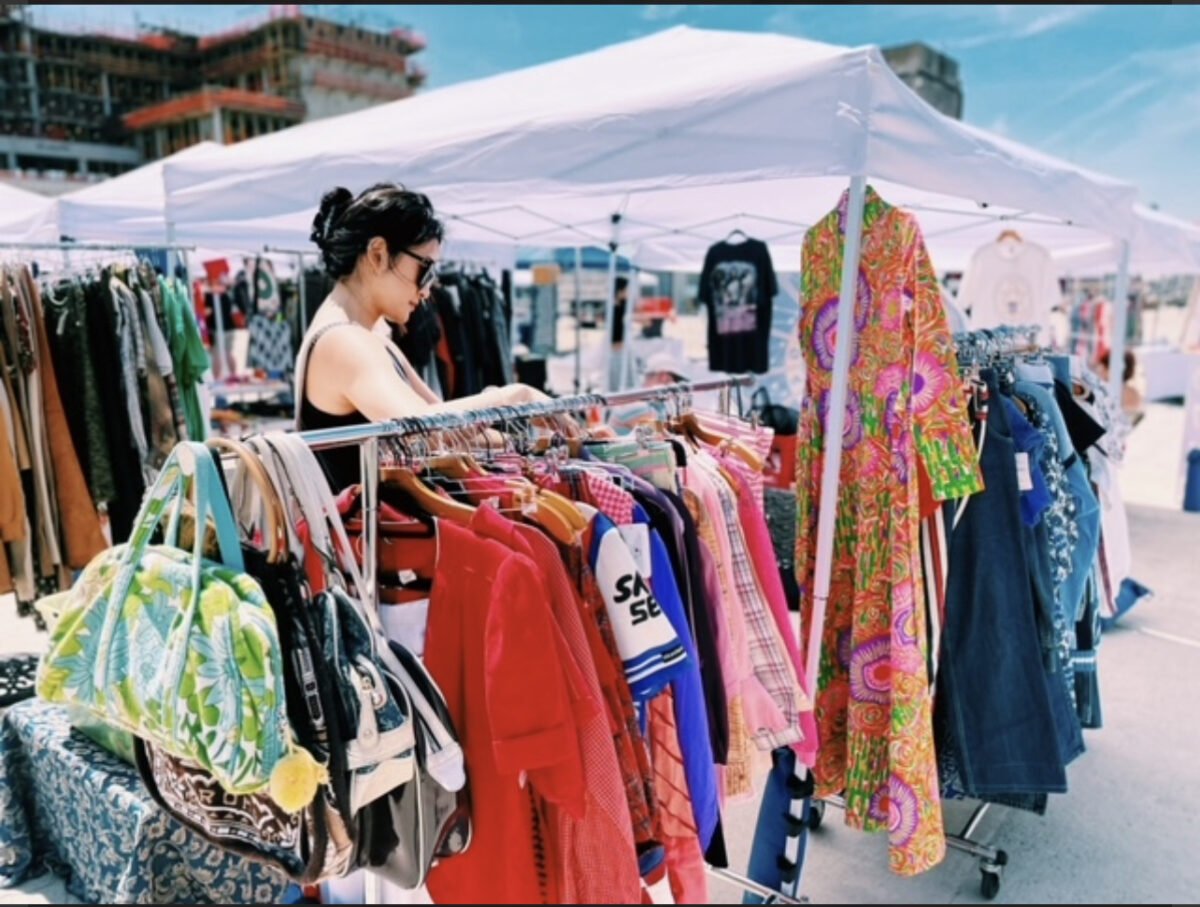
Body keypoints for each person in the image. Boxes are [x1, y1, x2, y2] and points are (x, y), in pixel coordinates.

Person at [299, 183, 549, 489]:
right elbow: (425, 430)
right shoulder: (345, 341)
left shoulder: (364, 336)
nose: (427, 290)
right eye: (425, 270)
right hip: (376, 519)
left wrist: (534, 441)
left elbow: (451, 429)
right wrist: (513, 396)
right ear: (378, 254)